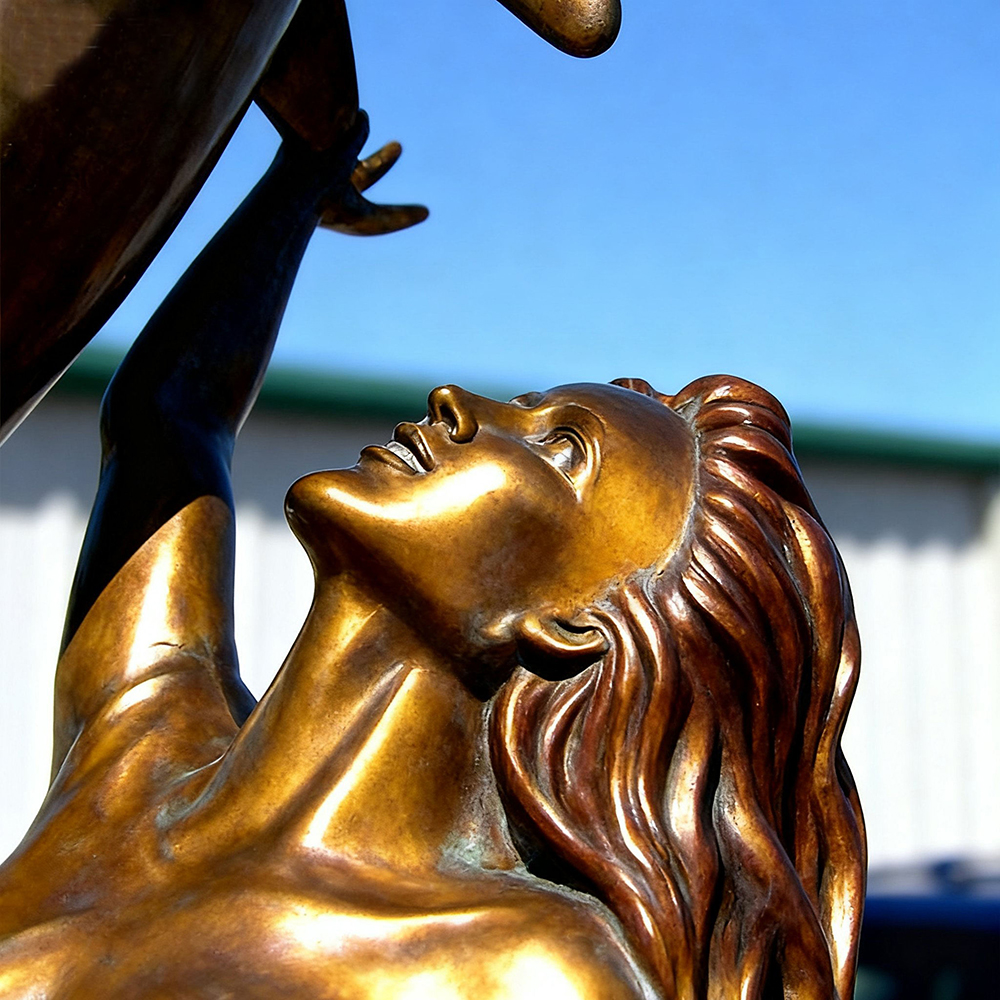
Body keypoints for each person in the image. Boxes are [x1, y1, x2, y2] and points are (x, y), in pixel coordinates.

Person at [0, 117, 864, 1000]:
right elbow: (166, 417)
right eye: (522, 405)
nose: (457, 402)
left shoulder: (519, 975)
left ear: (569, 621)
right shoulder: (136, 741)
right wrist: (307, 163)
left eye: (560, 447)